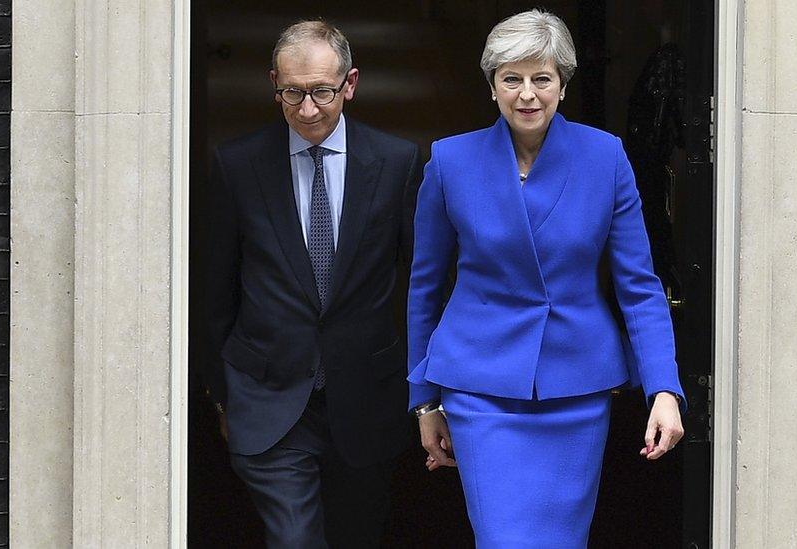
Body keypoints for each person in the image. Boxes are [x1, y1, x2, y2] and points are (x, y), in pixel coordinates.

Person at [407, 9, 685, 548]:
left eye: (542, 78)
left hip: (575, 392)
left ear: (562, 83)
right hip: (478, 390)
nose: (527, 94)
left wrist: (664, 388)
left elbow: (639, 286)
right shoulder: (450, 161)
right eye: (512, 79)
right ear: (492, 87)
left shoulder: (605, 157)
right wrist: (424, 401)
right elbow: (425, 288)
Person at [203, 20, 420, 548]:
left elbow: (422, 285)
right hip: (269, 398)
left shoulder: (397, 163)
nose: (307, 109)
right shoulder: (237, 165)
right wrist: (222, 397)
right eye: (292, 93)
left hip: (366, 402)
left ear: (350, 83)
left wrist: (421, 392)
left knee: (357, 535)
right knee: (295, 539)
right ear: (273, 82)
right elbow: (214, 291)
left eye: (322, 91)